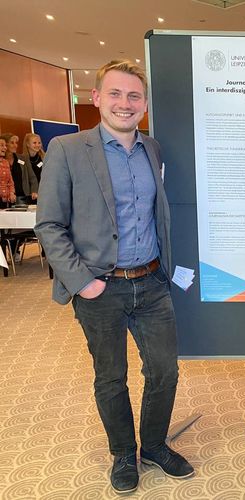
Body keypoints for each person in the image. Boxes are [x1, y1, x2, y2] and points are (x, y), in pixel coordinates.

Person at [35, 60, 194, 494]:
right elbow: (48, 224)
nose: (126, 104)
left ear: (144, 104)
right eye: (117, 94)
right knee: (111, 376)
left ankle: (155, 446)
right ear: (97, 98)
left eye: (134, 96)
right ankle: (124, 453)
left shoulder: (153, 149)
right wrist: (83, 281)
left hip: (153, 282)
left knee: (164, 371)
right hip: (99, 287)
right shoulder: (68, 150)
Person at [1, 133, 38, 204]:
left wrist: (34, 191)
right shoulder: (2, 161)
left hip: (23, 197)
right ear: (5, 145)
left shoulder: (23, 159)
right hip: (7, 198)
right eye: (12, 143)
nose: (15, 145)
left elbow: (32, 178)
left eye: (16, 143)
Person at [0, 137, 16, 207]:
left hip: (6, 202)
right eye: (2, 145)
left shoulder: (6, 162)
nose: (5, 148)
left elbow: (10, 182)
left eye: (5, 145)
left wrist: (11, 193)